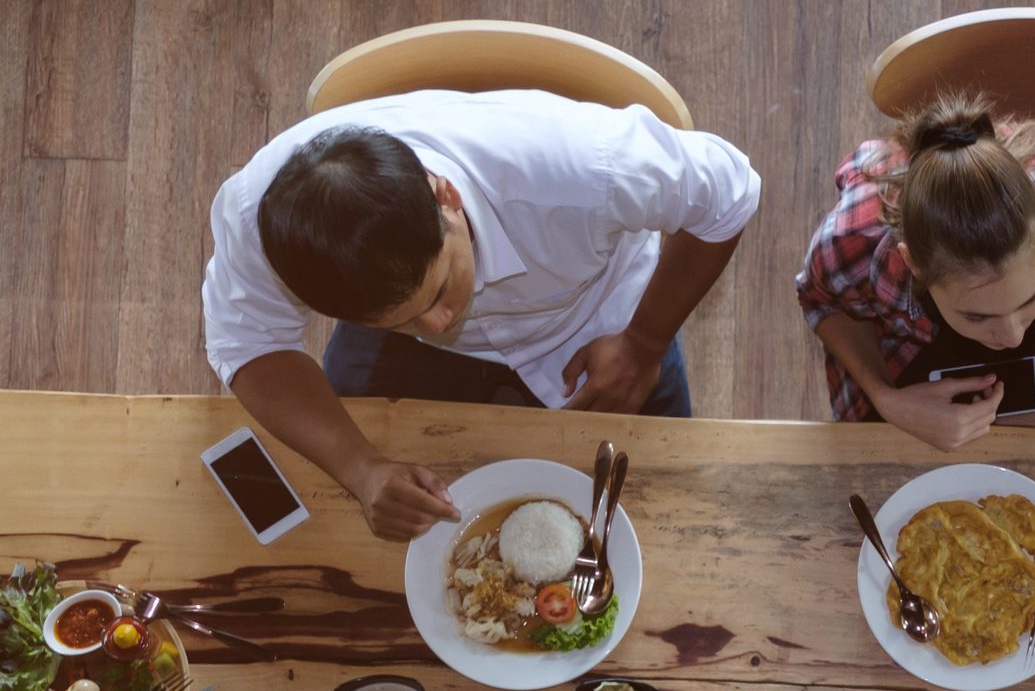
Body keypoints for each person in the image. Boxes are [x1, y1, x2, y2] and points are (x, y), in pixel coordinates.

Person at [203, 89, 760, 540]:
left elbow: (728, 191)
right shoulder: (260, 227)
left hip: (599, 317)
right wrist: (361, 468)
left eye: (443, 288)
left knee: (667, 509)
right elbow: (248, 343)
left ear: (446, 197)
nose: (441, 325)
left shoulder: (583, 165)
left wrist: (644, 341)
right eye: (399, 317)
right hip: (404, 353)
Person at [796, 93, 1035, 550]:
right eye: (978, 315)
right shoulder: (853, 238)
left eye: (1030, 298)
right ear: (912, 264)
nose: (1011, 335)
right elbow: (821, 299)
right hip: (906, 349)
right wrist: (886, 398)